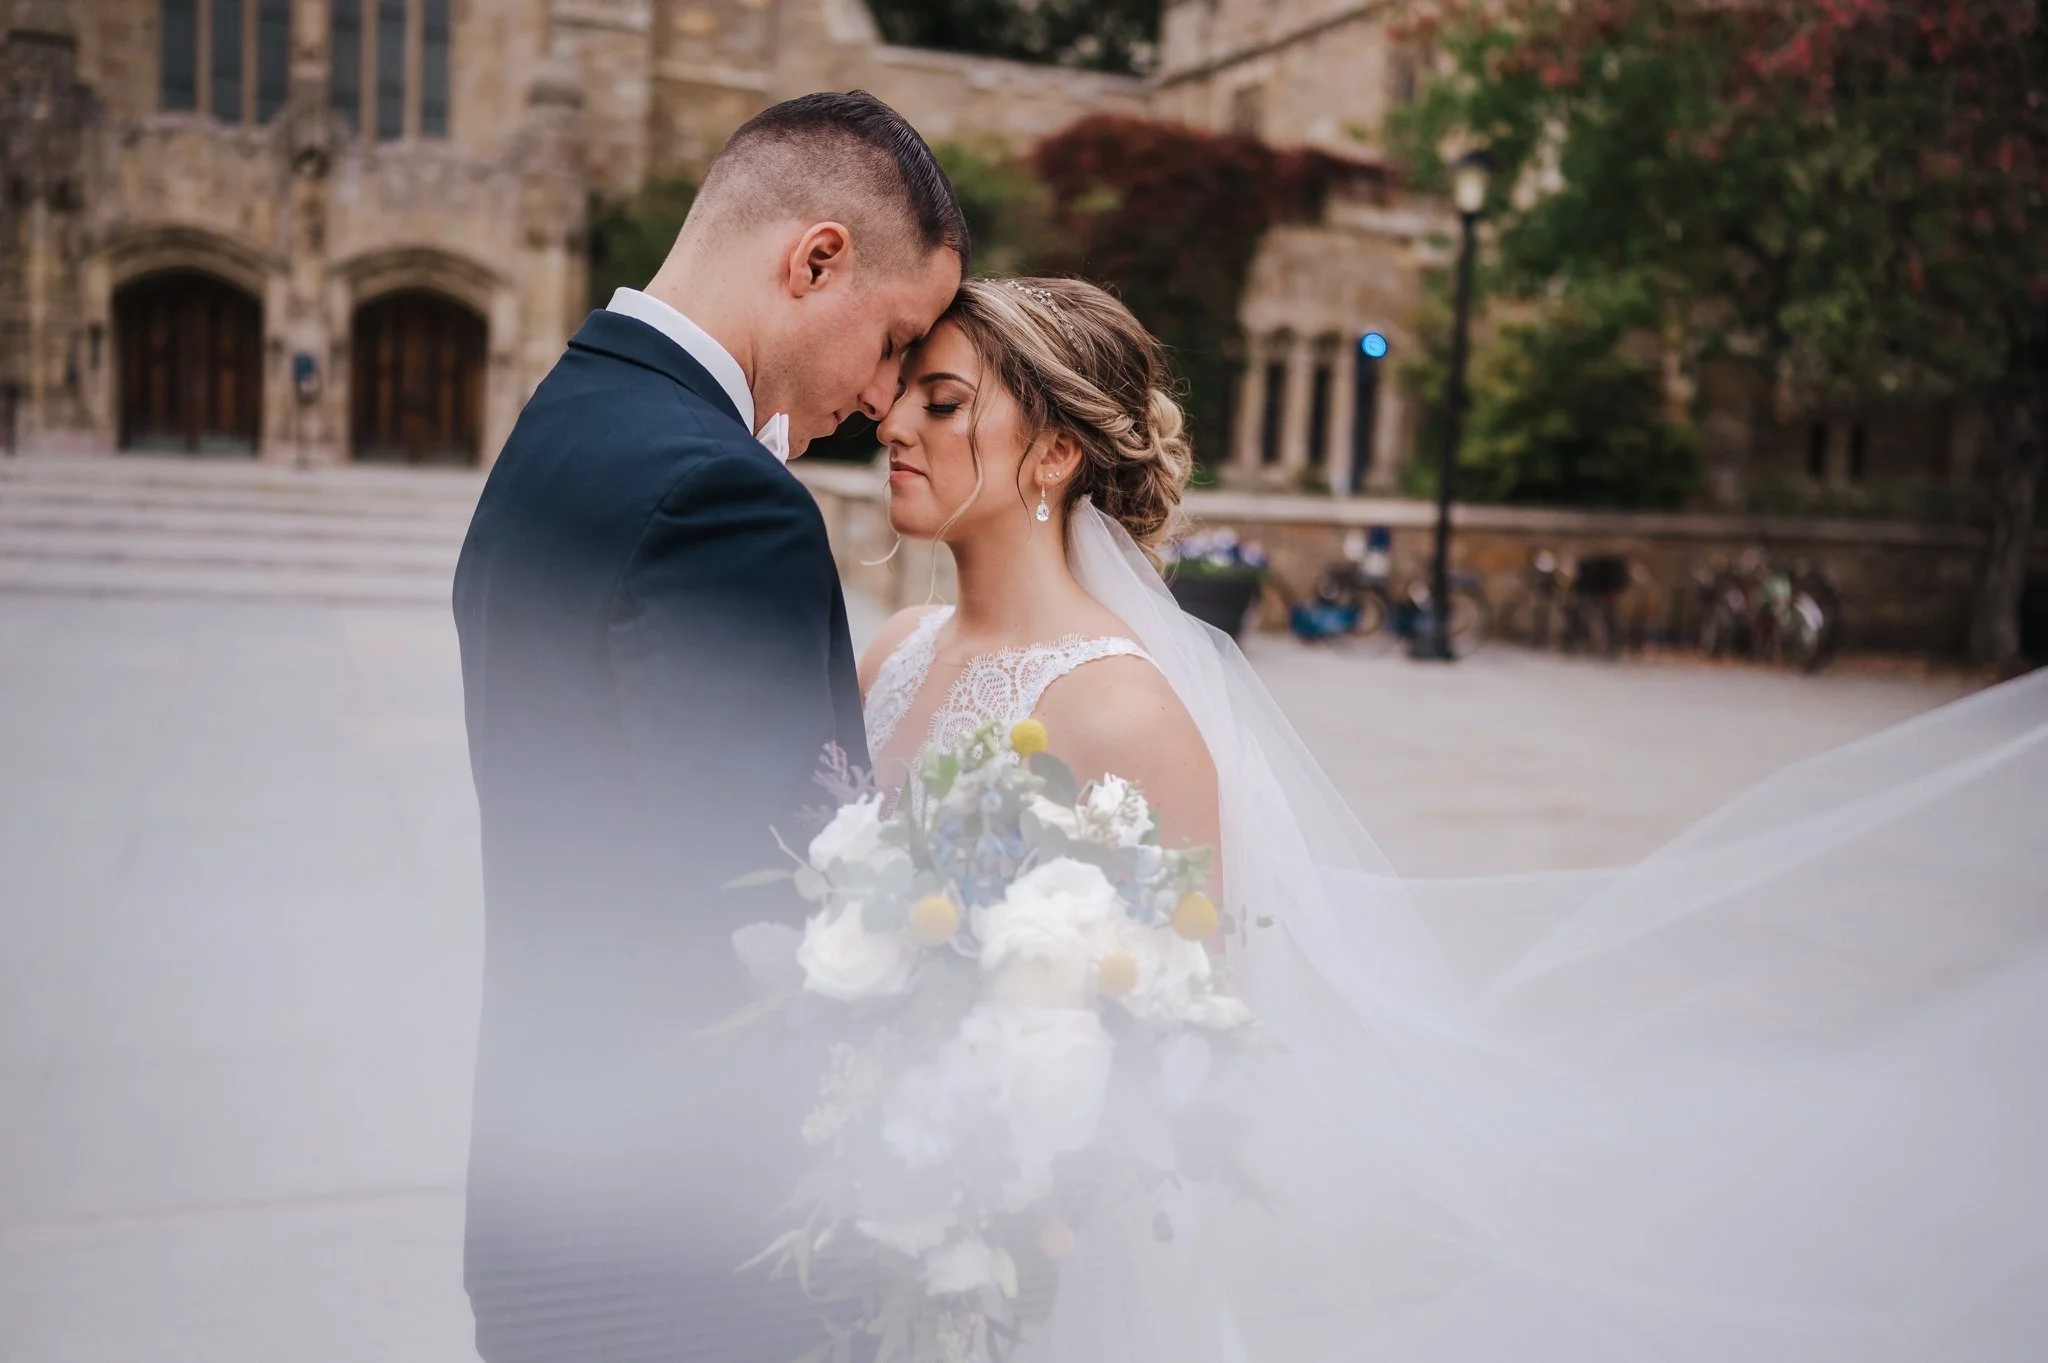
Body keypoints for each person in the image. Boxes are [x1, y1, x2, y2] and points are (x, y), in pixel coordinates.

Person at [856, 276, 2048, 1361]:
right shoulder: (892, 655)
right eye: (903, 395)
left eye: (944, 402)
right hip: (859, 1201)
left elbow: (1177, 1044)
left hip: (1031, 1260)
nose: (894, 424)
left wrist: (984, 1200)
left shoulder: (1119, 708)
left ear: (1053, 452)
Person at [451, 91, 966, 1363]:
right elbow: (781, 923)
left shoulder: (566, 422)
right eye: (895, 338)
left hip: (544, 1194)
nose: (884, 393)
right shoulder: (722, 501)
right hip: (682, 1256)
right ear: (817, 259)